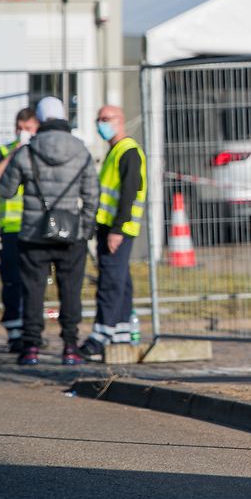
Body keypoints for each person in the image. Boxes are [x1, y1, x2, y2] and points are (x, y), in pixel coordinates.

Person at [0, 96, 97, 366]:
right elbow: (92, 194)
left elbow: (7, 190)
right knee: (70, 290)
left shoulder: (27, 152)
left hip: (33, 233)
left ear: (39, 121)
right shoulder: (81, 150)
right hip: (71, 235)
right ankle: (69, 347)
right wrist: (85, 228)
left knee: (33, 290)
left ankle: (30, 348)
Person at [78, 104, 146, 361]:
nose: (101, 124)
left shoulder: (128, 151)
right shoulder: (114, 151)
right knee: (120, 281)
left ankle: (101, 334)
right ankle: (120, 333)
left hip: (118, 229)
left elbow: (129, 193)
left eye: (106, 119)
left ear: (120, 120)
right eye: (98, 119)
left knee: (110, 281)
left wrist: (117, 229)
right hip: (109, 227)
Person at [0, 107, 39, 352]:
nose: (22, 132)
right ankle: (15, 332)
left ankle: (32, 332)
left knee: (34, 282)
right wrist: (14, 154)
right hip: (12, 227)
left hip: (36, 227)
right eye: (19, 128)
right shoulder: (5, 150)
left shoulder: (42, 151)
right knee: (13, 281)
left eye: (28, 128)